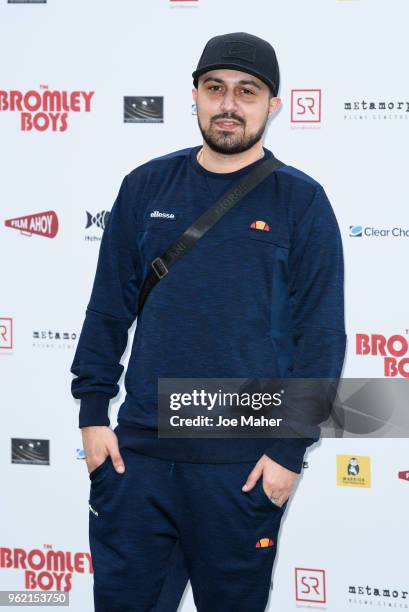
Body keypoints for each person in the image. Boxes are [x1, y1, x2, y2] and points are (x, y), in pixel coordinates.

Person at [70, 32, 346, 612]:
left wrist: (289, 453)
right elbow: (106, 308)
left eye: (247, 91)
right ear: (193, 95)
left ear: (273, 105)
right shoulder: (145, 186)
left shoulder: (301, 202)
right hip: (137, 460)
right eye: (215, 88)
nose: (229, 104)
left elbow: (320, 339)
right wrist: (93, 413)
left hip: (242, 467)